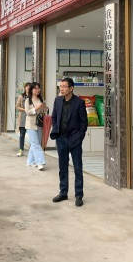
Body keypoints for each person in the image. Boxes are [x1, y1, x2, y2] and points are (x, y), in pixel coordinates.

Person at [49, 77, 88, 207]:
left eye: (64, 86)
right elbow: (54, 117)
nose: (62, 88)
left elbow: (84, 123)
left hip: (75, 139)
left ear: (71, 88)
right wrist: (56, 131)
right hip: (61, 139)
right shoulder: (57, 100)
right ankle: (63, 192)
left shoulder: (79, 103)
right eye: (60, 86)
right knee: (62, 167)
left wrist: (79, 137)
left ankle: (79, 195)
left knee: (77, 167)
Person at [24, 82, 47, 170]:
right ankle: (40, 162)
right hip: (30, 125)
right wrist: (37, 108)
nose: (37, 90)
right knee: (36, 144)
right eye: (35, 88)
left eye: (38, 88)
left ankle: (30, 161)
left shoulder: (41, 99)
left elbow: (44, 111)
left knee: (35, 144)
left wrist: (44, 108)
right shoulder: (28, 100)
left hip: (39, 124)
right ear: (31, 90)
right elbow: (27, 112)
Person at [15, 82, 31, 157]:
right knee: (22, 135)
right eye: (27, 86)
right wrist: (25, 109)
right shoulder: (21, 96)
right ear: (25, 88)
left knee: (31, 135)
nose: (28, 88)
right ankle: (21, 150)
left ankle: (32, 151)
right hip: (23, 118)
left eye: (29, 87)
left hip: (31, 118)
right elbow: (17, 106)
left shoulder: (32, 96)